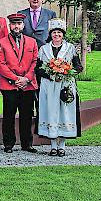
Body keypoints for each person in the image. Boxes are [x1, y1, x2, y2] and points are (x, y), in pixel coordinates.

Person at [36, 18, 83, 157]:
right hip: (49, 86)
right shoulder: (43, 49)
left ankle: (62, 145)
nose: (56, 35)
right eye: (54, 32)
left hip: (65, 85)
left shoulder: (70, 48)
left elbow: (78, 66)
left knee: (65, 113)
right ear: (50, 34)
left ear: (63, 34)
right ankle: (52, 146)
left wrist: (67, 71)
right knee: (50, 112)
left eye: (59, 32)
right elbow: (38, 69)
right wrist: (51, 74)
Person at [0, 13, 39, 153]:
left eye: (19, 24)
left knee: (27, 115)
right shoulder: (1, 42)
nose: (16, 26)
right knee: (8, 115)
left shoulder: (32, 42)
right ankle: (8, 144)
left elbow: (35, 62)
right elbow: (1, 64)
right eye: (14, 24)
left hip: (28, 85)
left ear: (23, 25)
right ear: (9, 26)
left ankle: (27, 144)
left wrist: (27, 78)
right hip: (10, 85)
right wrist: (16, 79)